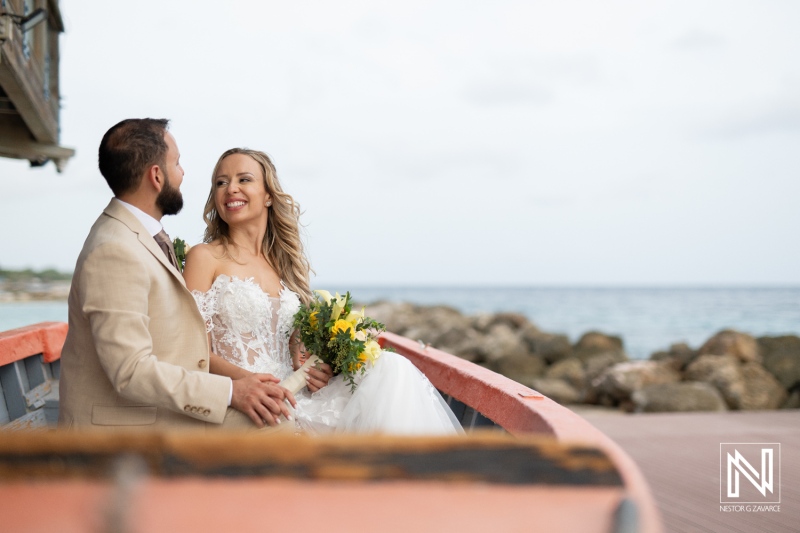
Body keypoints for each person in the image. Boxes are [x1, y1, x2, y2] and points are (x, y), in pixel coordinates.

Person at [184, 148, 462, 435]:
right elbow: (192, 350)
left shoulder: (284, 266)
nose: (231, 189)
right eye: (221, 182)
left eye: (244, 179)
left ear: (268, 195)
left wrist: (314, 369)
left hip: (296, 394)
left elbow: (292, 349)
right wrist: (247, 383)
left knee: (393, 369)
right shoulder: (204, 258)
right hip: (249, 399)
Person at [58, 119, 296, 431]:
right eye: (178, 163)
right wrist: (231, 391)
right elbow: (129, 370)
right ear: (157, 176)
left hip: (166, 401)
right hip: (125, 427)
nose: (183, 174)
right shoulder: (114, 250)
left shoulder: (141, 235)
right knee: (281, 429)